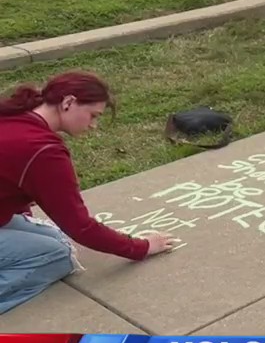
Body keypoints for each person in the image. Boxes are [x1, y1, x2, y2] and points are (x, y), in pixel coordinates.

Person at [0, 72, 175, 314]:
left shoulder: (14, 117)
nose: (93, 126)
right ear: (68, 102)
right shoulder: (42, 150)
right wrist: (141, 247)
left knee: (56, 239)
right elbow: (79, 227)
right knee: (56, 256)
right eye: (93, 116)